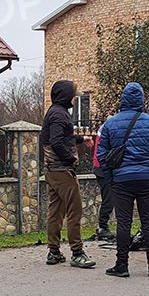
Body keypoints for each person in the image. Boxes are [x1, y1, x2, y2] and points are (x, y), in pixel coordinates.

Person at [95, 82, 149, 278]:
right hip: (147, 179)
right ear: (141, 100)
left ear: (123, 99)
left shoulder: (110, 124)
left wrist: (111, 179)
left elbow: (102, 156)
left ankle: (122, 265)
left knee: (123, 223)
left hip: (121, 181)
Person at [39, 80, 96, 269]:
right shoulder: (59, 114)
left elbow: (63, 136)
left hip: (52, 170)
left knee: (55, 211)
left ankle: (53, 252)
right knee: (75, 210)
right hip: (62, 170)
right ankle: (77, 253)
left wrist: (81, 138)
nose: (75, 98)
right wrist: (69, 160)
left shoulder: (55, 112)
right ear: (65, 95)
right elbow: (56, 141)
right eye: (73, 94)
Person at [91, 134, 114, 240]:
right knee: (109, 199)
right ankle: (102, 227)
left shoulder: (105, 128)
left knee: (109, 198)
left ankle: (103, 226)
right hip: (102, 169)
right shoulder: (107, 128)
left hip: (100, 167)